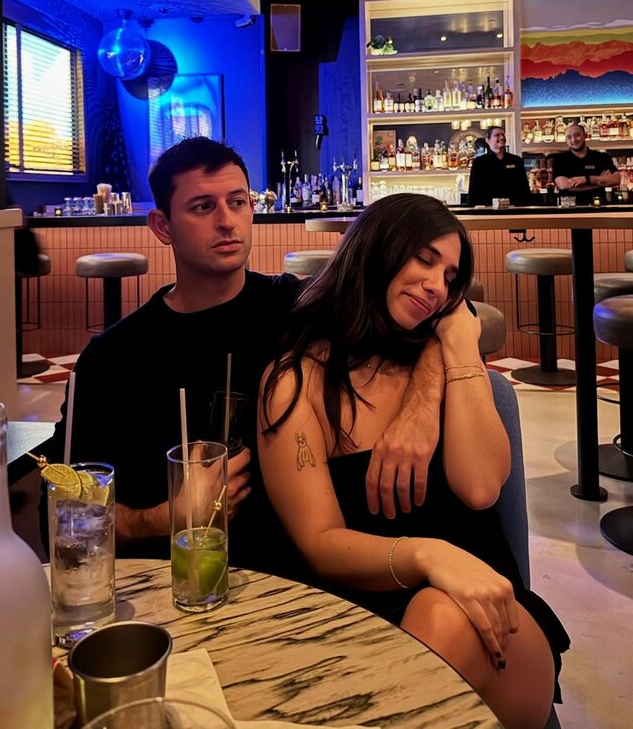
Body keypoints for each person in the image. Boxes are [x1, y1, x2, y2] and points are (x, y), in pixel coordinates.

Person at [43, 137, 452, 562]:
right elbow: (60, 519)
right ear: (163, 226)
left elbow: (446, 319)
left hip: (299, 576)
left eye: (238, 202)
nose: (226, 221)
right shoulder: (113, 358)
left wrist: (419, 412)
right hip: (168, 578)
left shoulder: (301, 307)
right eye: (203, 207)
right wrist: (165, 518)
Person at [259, 194, 568, 729]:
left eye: (450, 277)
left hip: (494, 617)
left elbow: (479, 487)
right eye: (424, 260)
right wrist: (428, 555)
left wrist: (460, 339)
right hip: (361, 620)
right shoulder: (298, 381)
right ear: (376, 249)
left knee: (439, 611)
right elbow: (319, 541)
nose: (436, 286)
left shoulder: (443, 366)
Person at [552, 123, 620, 199]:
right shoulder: (559, 159)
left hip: (598, 204)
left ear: (585, 135)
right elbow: (563, 185)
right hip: (570, 204)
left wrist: (586, 179)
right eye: (569, 137)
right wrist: (600, 182)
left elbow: (616, 179)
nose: (573, 140)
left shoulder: (601, 157)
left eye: (577, 135)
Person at [467, 126, 531, 206]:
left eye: (503, 135)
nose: (501, 137)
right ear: (488, 140)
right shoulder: (479, 162)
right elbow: (473, 190)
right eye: (497, 135)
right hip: (488, 209)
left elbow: (524, 188)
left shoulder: (516, 160)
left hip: (513, 208)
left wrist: (527, 207)